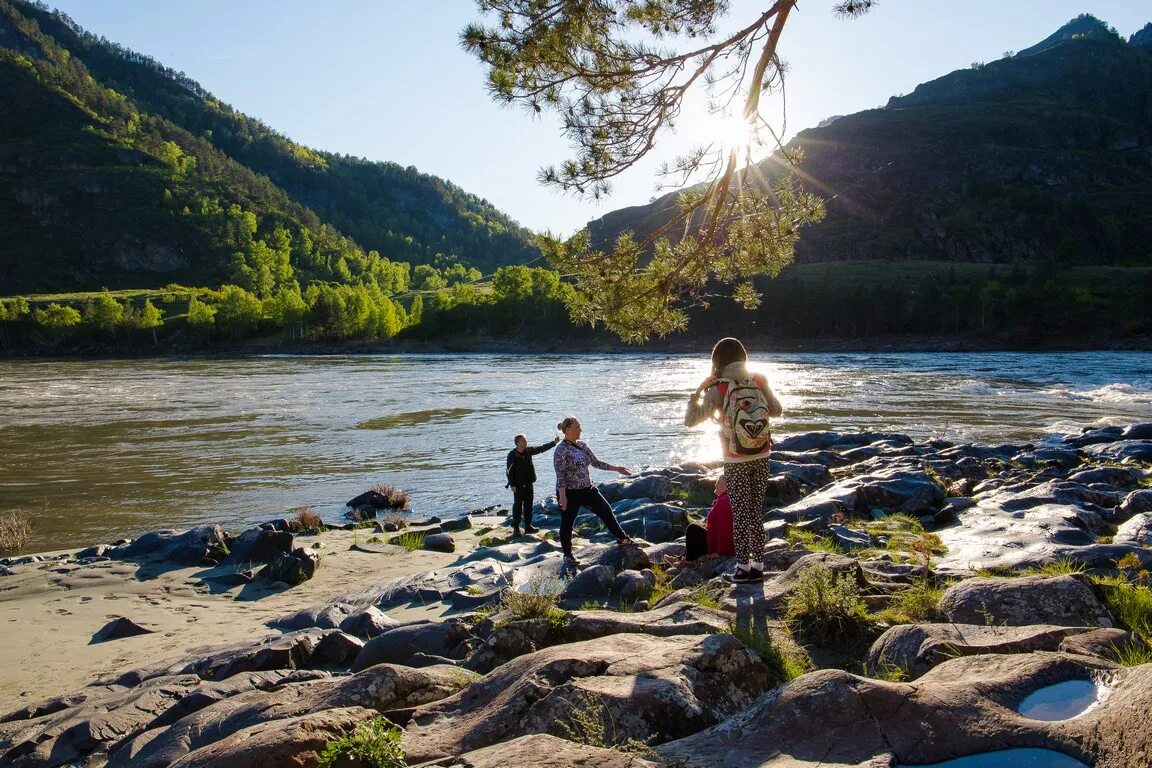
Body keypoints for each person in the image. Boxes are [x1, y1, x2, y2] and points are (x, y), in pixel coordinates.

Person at [684, 337, 782, 584]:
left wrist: (697, 391)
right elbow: (777, 410)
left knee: (739, 514)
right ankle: (758, 568)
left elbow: (691, 420)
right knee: (755, 512)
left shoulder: (718, 388)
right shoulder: (759, 379)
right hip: (762, 453)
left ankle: (742, 569)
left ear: (718, 360)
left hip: (735, 458)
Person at [553, 416, 633, 565]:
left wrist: (616, 469)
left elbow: (595, 462)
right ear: (568, 429)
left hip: (587, 488)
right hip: (570, 492)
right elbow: (560, 475)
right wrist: (562, 497)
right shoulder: (560, 450)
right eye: (577, 427)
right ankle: (568, 555)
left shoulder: (582, 445)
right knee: (567, 523)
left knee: (606, 511)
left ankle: (622, 538)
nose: (580, 429)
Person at [505, 433, 560, 537]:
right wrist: (512, 485)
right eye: (523, 441)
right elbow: (508, 471)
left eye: (526, 440)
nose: (526, 442)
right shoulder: (512, 455)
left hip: (529, 483)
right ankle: (516, 529)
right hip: (518, 485)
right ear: (517, 443)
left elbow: (541, 449)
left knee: (528, 506)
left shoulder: (528, 451)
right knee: (517, 507)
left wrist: (554, 443)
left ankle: (528, 527)